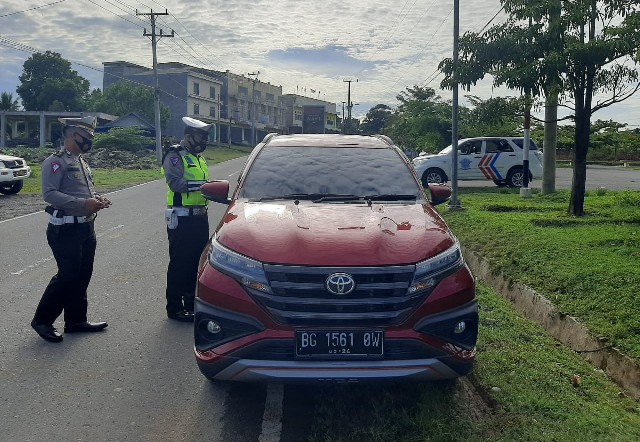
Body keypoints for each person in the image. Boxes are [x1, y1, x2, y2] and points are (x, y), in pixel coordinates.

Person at [31, 116, 111, 343]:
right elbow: (50, 194)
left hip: (86, 227)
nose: (89, 140)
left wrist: (96, 199)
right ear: (72, 135)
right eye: (85, 136)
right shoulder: (55, 162)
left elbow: (82, 192)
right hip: (64, 229)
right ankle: (42, 321)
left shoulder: (81, 162)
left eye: (91, 137)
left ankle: (76, 320)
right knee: (67, 276)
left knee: (82, 275)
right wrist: (83, 204)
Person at [162, 117, 213, 322]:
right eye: (200, 137)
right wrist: (204, 186)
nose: (203, 141)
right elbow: (175, 183)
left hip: (200, 217)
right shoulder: (175, 155)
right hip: (182, 217)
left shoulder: (199, 158)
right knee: (180, 263)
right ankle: (174, 307)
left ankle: (191, 304)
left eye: (205, 138)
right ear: (189, 136)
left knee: (197, 262)